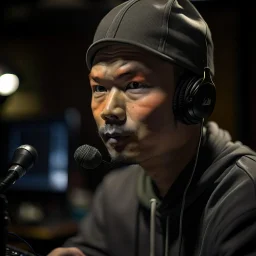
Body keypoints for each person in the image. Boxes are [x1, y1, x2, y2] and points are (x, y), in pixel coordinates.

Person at [48, 0, 256, 255]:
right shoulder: (115, 192)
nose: (108, 110)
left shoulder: (245, 195)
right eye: (99, 88)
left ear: (194, 98)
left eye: (135, 85)